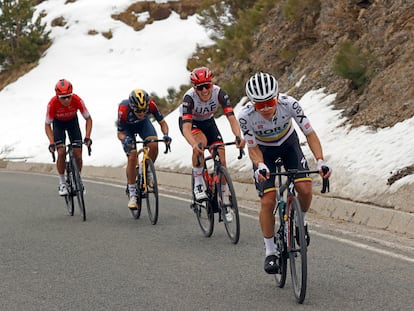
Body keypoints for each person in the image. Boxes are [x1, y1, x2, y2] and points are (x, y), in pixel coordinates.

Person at [237, 72, 331, 274]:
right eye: (259, 105)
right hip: (264, 153)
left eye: (270, 102)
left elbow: (309, 133)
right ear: (252, 103)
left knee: (304, 188)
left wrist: (321, 160)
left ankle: (301, 221)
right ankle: (270, 251)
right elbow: (252, 148)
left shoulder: (290, 104)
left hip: (289, 146)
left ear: (277, 96)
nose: (266, 108)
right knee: (268, 200)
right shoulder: (245, 117)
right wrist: (260, 165)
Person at [179, 66, 245, 202]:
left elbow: (232, 118)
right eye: (199, 87)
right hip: (192, 123)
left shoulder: (219, 93)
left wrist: (238, 136)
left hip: (208, 122)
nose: (204, 90)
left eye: (207, 86)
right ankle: (198, 185)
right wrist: (194, 145)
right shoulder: (189, 98)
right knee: (200, 143)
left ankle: (223, 198)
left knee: (222, 158)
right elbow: (186, 128)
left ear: (212, 83)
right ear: (195, 88)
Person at [117, 89, 171, 210]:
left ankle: (146, 169)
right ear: (132, 106)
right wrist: (125, 139)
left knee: (154, 144)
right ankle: (132, 194)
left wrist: (166, 134)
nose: (141, 113)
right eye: (138, 110)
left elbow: (163, 123)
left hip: (143, 125)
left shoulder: (151, 104)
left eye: (144, 110)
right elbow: (119, 133)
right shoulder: (123, 109)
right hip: (127, 130)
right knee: (132, 156)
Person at [45, 78, 93, 196]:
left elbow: (88, 119)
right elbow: (47, 125)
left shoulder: (77, 100)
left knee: (78, 154)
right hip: (59, 125)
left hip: (73, 124)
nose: (66, 100)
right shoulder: (52, 104)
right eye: (63, 97)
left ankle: (78, 179)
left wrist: (87, 136)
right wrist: (52, 142)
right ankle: (62, 182)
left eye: (68, 96)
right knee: (61, 152)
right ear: (57, 96)